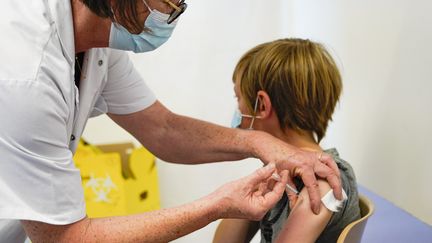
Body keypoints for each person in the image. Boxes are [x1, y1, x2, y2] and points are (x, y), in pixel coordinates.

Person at [0, 0, 343, 242]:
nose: (175, 13)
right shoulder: (24, 73)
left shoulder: (98, 46)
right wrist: (216, 205)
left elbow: (163, 129)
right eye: (169, 1)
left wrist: (258, 143)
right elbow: (66, 238)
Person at [213, 38, 361, 243]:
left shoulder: (323, 183)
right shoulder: (275, 176)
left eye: (238, 98)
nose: (238, 110)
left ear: (262, 106)